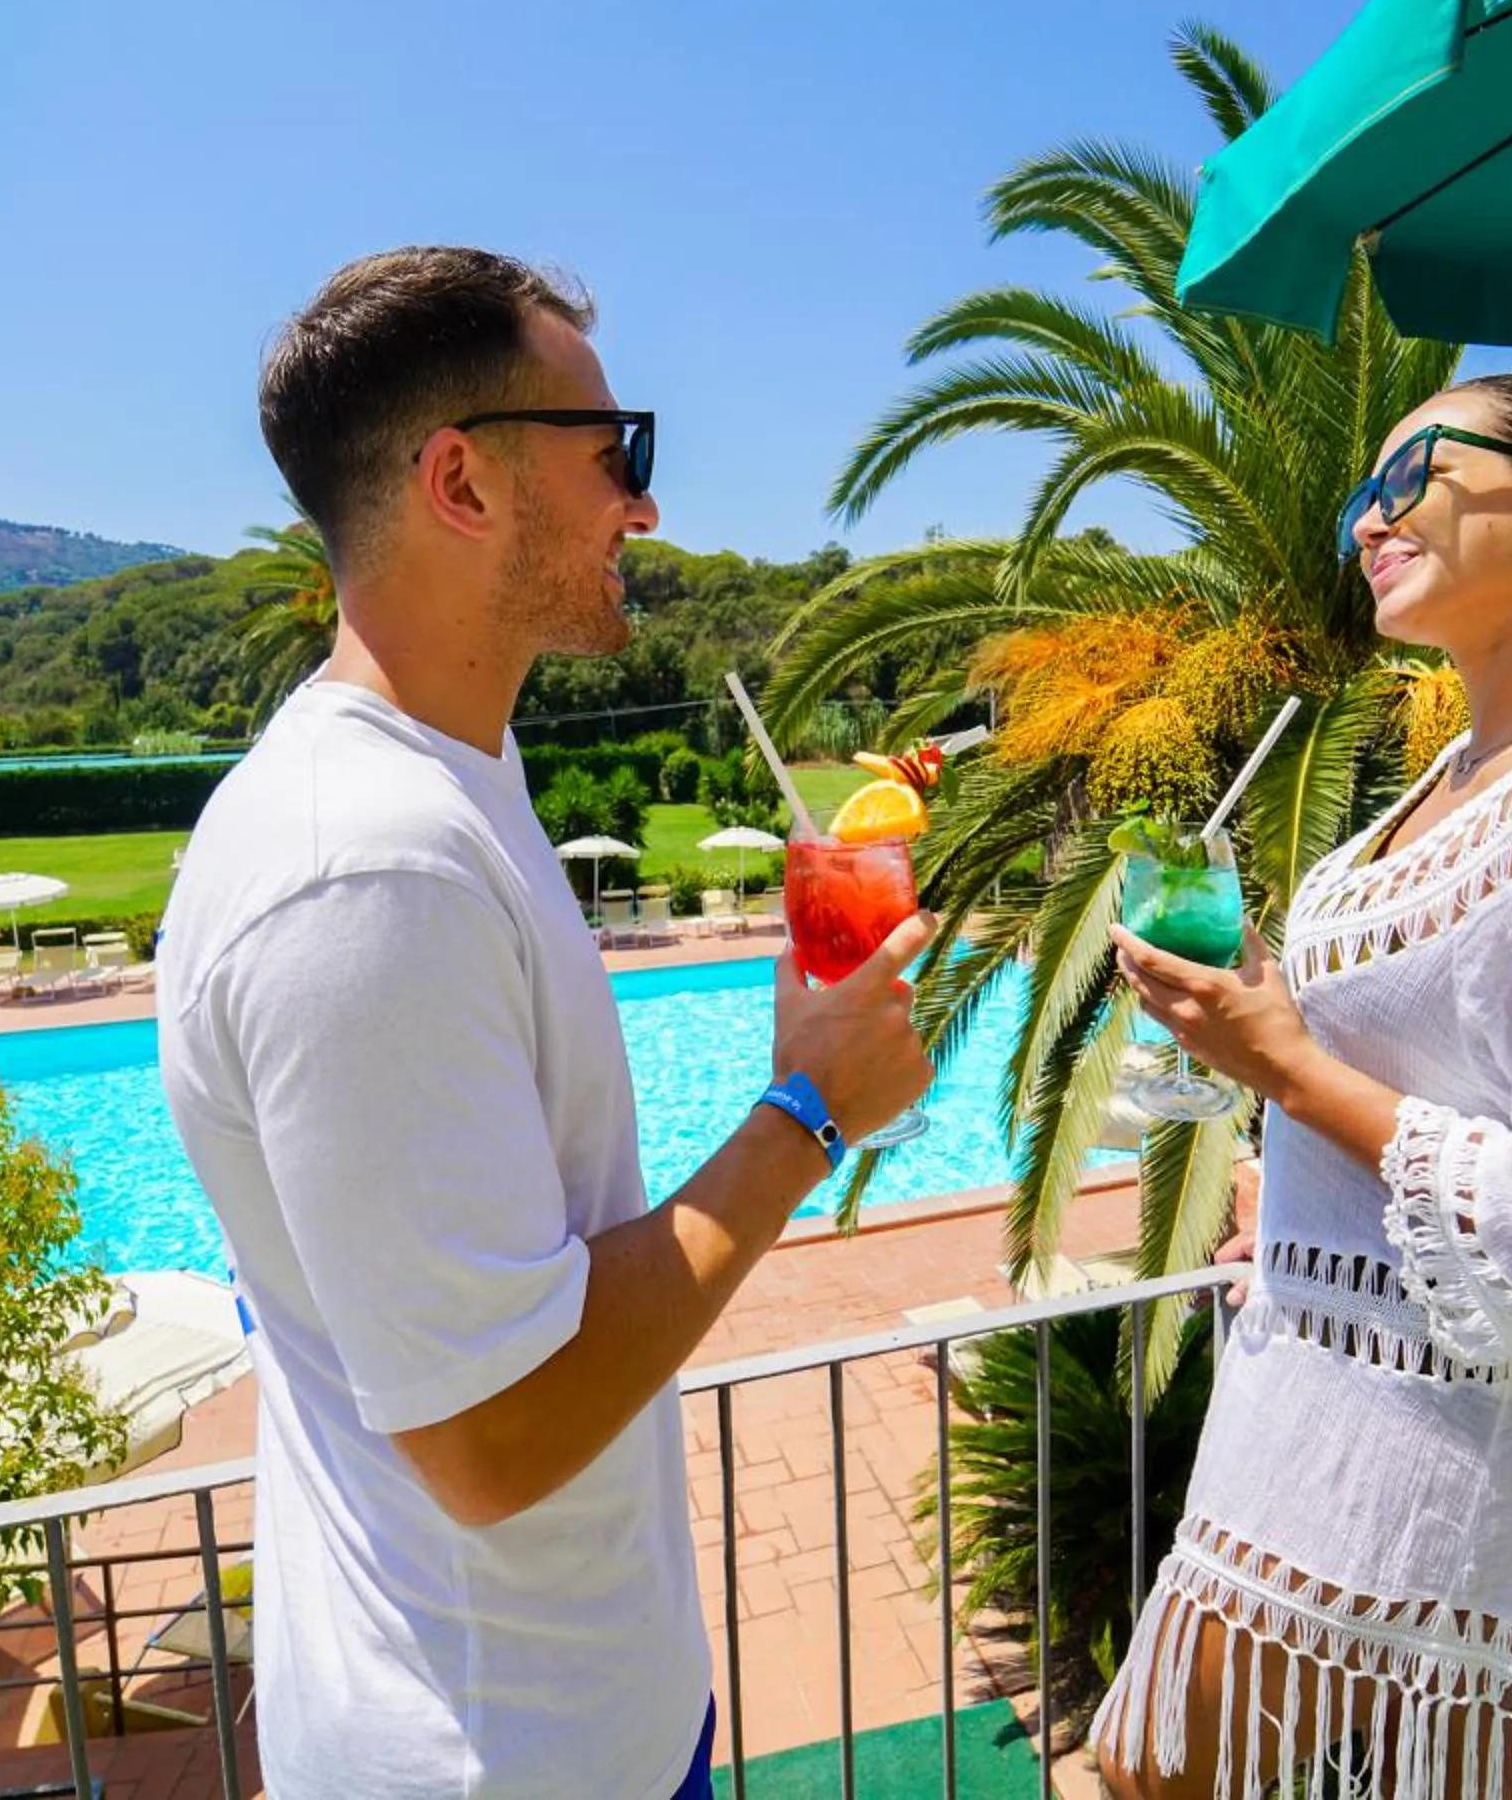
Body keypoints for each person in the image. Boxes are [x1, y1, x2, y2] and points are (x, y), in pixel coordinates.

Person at [157, 246, 935, 1800]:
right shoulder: (366, 865)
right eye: (615, 451)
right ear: (461, 482)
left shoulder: (450, 787)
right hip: (496, 1759)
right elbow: (493, 1437)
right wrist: (806, 1112)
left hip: (580, 1719)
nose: (643, 503)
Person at [1089, 374, 1512, 1800]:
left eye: (1413, 476)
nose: (1370, 521)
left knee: (1134, 1772)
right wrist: (1296, 1171)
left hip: (1443, 1443)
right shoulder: (1464, 767)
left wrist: (1290, 1067)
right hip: (1332, 1397)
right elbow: (1440, 1076)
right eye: (1358, 500)